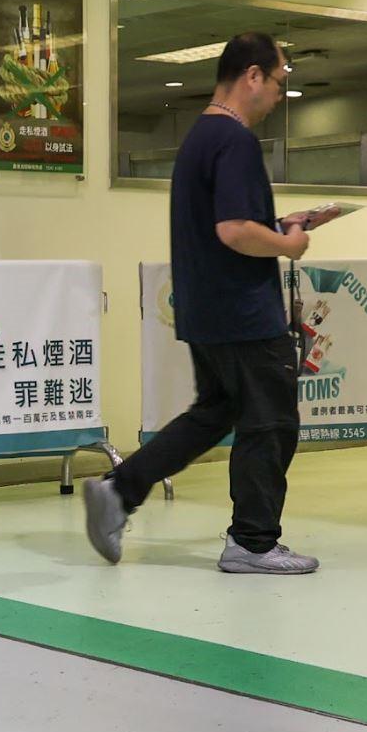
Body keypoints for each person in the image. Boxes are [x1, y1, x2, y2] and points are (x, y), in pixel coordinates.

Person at [82, 33, 322, 576]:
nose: (281, 96)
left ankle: (120, 492)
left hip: (207, 306)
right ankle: (253, 542)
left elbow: (231, 225)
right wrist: (289, 243)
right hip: (242, 310)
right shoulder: (234, 141)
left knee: (216, 413)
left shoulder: (200, 138)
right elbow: (235, 230)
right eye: (280, 82)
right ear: (253, 76)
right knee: (270, 421)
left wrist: (284, 226)